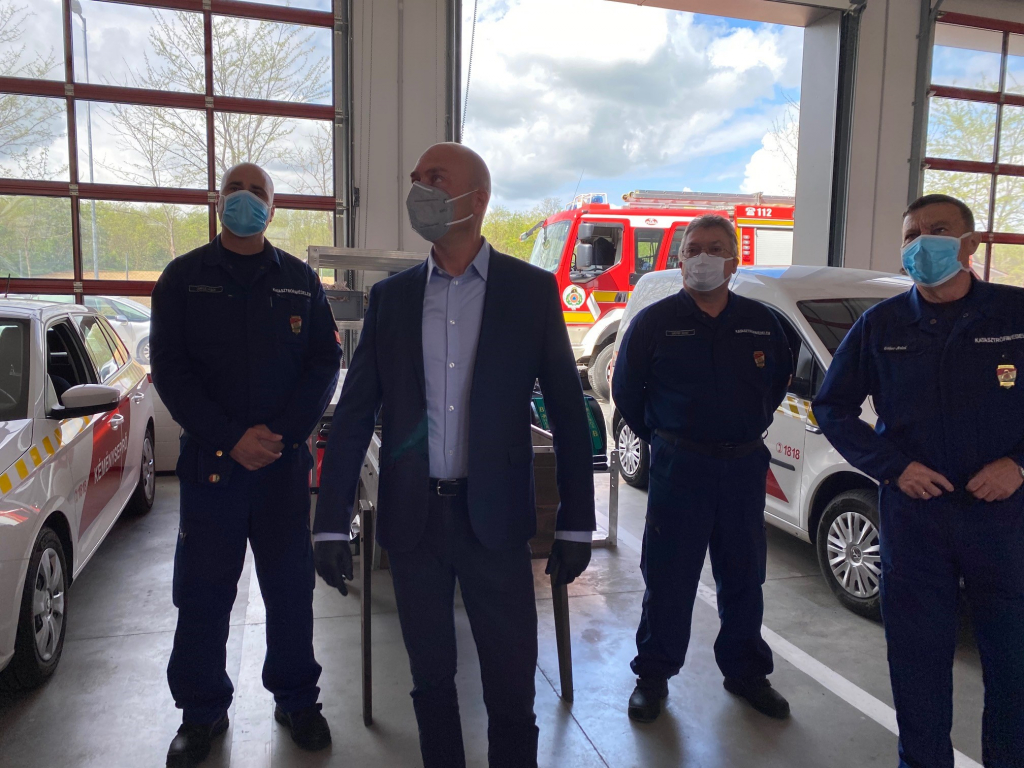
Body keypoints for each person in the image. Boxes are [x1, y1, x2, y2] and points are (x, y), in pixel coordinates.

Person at [313, 142, 595, 768]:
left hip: (495, 521)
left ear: (477, 198)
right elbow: (354, 413)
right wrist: (330, 521)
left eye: (435, 178)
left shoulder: (530, 291)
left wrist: (577, 521)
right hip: (414, 523)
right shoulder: (392, 299)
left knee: (511, 686)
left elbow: (567, 411)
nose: (420, 190)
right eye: (416, 179)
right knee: (431, 681)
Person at [813, 194, 1024, 768]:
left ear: (969, 243)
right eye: (911, 234)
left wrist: (1018, 464)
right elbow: (832, 407)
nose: (921, 242)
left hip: (1003, 520)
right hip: (916, 520)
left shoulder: (1014, 315)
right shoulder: (881, 325)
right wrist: (893, 467)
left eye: (937, 229)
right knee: (917, 665)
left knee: (1012, 662)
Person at [150, 163, 342, 768]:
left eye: (258, 192)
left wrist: (283, 436)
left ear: (273, 209)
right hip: (212, 468)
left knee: (290, 589)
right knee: (203, 593)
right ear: (219, 201)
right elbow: (171, 371)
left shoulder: (299, 281)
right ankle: (201, 712)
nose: (246, 198)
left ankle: (297, 699)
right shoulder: (183, 279)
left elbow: (324, 362)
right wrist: (232, 438)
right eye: (236, 188)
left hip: (281, 467)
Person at [612, 214, 793, 724]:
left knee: (744, 575)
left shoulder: (762, 322)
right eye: (693, 249)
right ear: (681, 260)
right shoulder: (655, 322)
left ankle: (746, 673)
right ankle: (653, 677)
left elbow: (776, 382)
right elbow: (627, 392)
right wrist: (665, 438)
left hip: (743, 467)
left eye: (715, 248)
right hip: (680, 467)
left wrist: (744, 425)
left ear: (734, 261)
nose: (703, 258)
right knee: (668, 576)